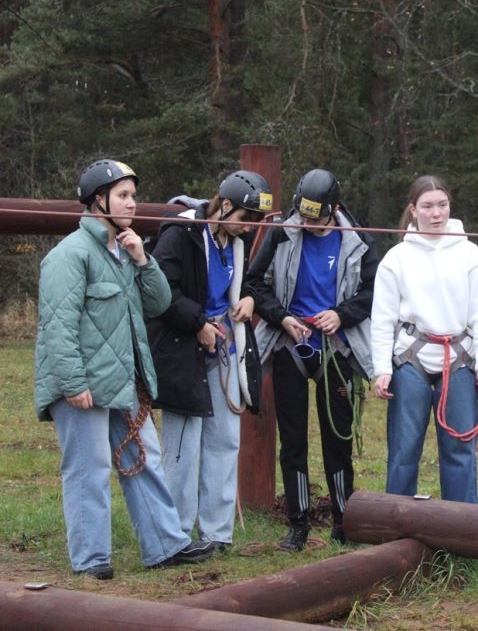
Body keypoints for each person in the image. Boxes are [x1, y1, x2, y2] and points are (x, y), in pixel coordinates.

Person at [34, 159, 215, 580]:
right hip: (81, 385)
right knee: (88, 468)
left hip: (122, 380)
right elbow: (57, 326)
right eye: (123, 196)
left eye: (133, 195)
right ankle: (92, 558)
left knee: (143, 458)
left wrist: (142, 259)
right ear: (99, 201)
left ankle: (166, 545)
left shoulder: (125, 252)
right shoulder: (69, 255)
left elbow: (157, 304)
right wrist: (72, 383)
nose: (132, 204)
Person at [246, 168, 378, 550]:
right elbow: (254, 283)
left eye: (315, 219)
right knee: (293, 440)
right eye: (302, 216)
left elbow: (374, 291)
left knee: (337, 438)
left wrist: (342, 313)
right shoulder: (282, 233)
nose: (306, 224)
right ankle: (298, 522)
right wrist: (281, 317)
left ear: (333, 209)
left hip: (336, 348)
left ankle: (343, 519)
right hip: (291, 345)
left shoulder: (359, 242)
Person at [146, 171, 269, 553]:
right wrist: (198, 323)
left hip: (225, 351)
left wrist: (249, 298)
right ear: (226, 205)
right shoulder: (179, 235)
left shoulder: (235, 239)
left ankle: (217, 532)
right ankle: (177, 533)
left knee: (224, 441)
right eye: (247, 220)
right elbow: (160, 291)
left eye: (256, 223)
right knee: (183, 445)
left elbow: (243, 281)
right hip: (184, 349)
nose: (250, 230)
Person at [371, 174, 478, 504]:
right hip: (410, 358)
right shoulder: (396, 259)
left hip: (459, 358)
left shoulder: (471, 254)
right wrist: (381, 369)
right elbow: (382, 320)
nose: (436, 214)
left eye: (442, 205)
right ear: (413, 210)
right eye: (427, 207)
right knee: (404, 449)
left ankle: (463, 532)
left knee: (459, 450)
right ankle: (395, 530)